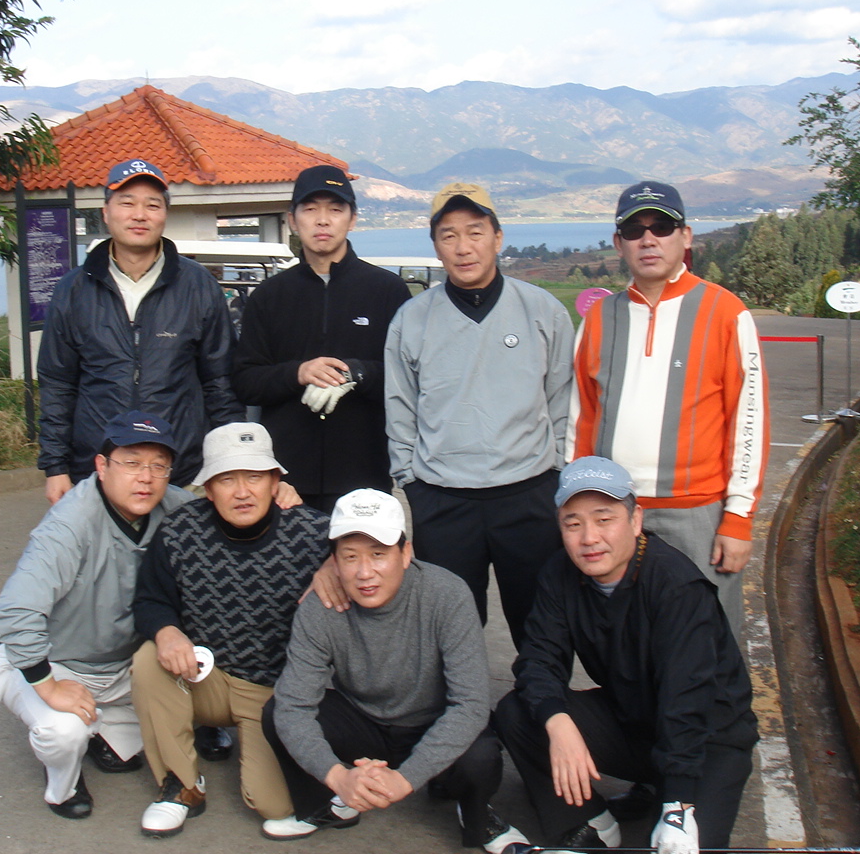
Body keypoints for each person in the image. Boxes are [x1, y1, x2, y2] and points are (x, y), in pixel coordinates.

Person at [494, 457, 759, 853]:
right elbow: (538, 660)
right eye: (573, 524)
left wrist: (677, 806)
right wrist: (559, 723)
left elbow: (686, 699)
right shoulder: (558, 574)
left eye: (604, 519)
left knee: (685, 844)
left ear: (636, 521)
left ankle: (669, 795)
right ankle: (588, 820)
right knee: (519, 712)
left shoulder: (676, 587)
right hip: (633, 723)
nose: (589, 538)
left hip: (706, 740)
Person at [262, 489, 529, 854]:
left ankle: (477, 815)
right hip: (365, 722)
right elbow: (295, 705)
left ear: (405, 554)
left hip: (430, 722)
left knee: (480, 756)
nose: (364, 572)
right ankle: (330, 804)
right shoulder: (321, 607)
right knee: (278, 711)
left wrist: (406, 780)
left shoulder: (447, 594)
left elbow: (470, 704)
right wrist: (338, 777)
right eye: (350, 556)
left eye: (378, 554)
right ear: (334, 561)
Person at [567, 180, 768, 635]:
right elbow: (580, 422)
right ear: (619, 243)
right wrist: (579, 507)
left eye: (661, 226)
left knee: (709, 642)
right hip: (615, 511)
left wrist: (738, 519)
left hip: (698, 515)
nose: (648, 239)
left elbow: (749, 421)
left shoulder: (725, 312)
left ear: (686, 236)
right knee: (627, 640)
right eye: (634, 231)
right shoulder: (599, 319)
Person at [385, 182, 574, 648]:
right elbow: (400, 408)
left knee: (540, 624)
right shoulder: (412, 319)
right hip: (443, 500)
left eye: (475, 232)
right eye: (448, 235)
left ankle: (539, 696)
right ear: (435, 245)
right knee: (450, 631)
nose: (463, 247)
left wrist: (556, 473)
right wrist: (413, 484)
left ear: (498, 237)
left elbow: (564, 400)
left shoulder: (542, 310)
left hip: (528, 494)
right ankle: (460, 698)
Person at [0, 411, 187, 819]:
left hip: (121, 667)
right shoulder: (71, 521)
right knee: (62, 733)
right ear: (102, 466)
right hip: (58, 661)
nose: (146, 478)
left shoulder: (176, 506)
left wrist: (280, 494)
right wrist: (49, 687)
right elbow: (15, 612)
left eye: (158, 465)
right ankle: (63, 785)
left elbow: (231, 509)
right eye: (131, 462)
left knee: (192, 693)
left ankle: (105, 735)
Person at [130, 422, 329, 838]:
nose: (242, 492)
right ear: (208, 488)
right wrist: (166, 631)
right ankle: (181, 785)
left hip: (274, 691)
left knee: (276, 807)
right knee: (148, 659)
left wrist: (335, 564)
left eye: (254, 477)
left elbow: (376, 559)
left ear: (275, 481)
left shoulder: (313, 533)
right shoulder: (181, 530)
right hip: (205, 676)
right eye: (226, 479)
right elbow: (150, 600)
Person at [36, 158, 245, 500]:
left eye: (152, 205)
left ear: (165, 214)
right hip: (99, 469)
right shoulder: (73, 289)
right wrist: (55, 466)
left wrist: (229, 462)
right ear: (106, 213)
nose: (139, 215)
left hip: (182, 471)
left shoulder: (198, 285)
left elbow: (220, 382)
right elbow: (58, 383)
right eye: (127, 203)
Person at [232, 164, 410, 513]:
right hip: (286, 481)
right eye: (311, 209)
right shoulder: (269, 296)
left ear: (353, 219)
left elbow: (408, 378)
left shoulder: (387, 291)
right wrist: (297, 373)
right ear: (292, 220)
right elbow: (245, 381)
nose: (323, 220)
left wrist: (358, 372)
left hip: (365, 474)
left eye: (335, 209)